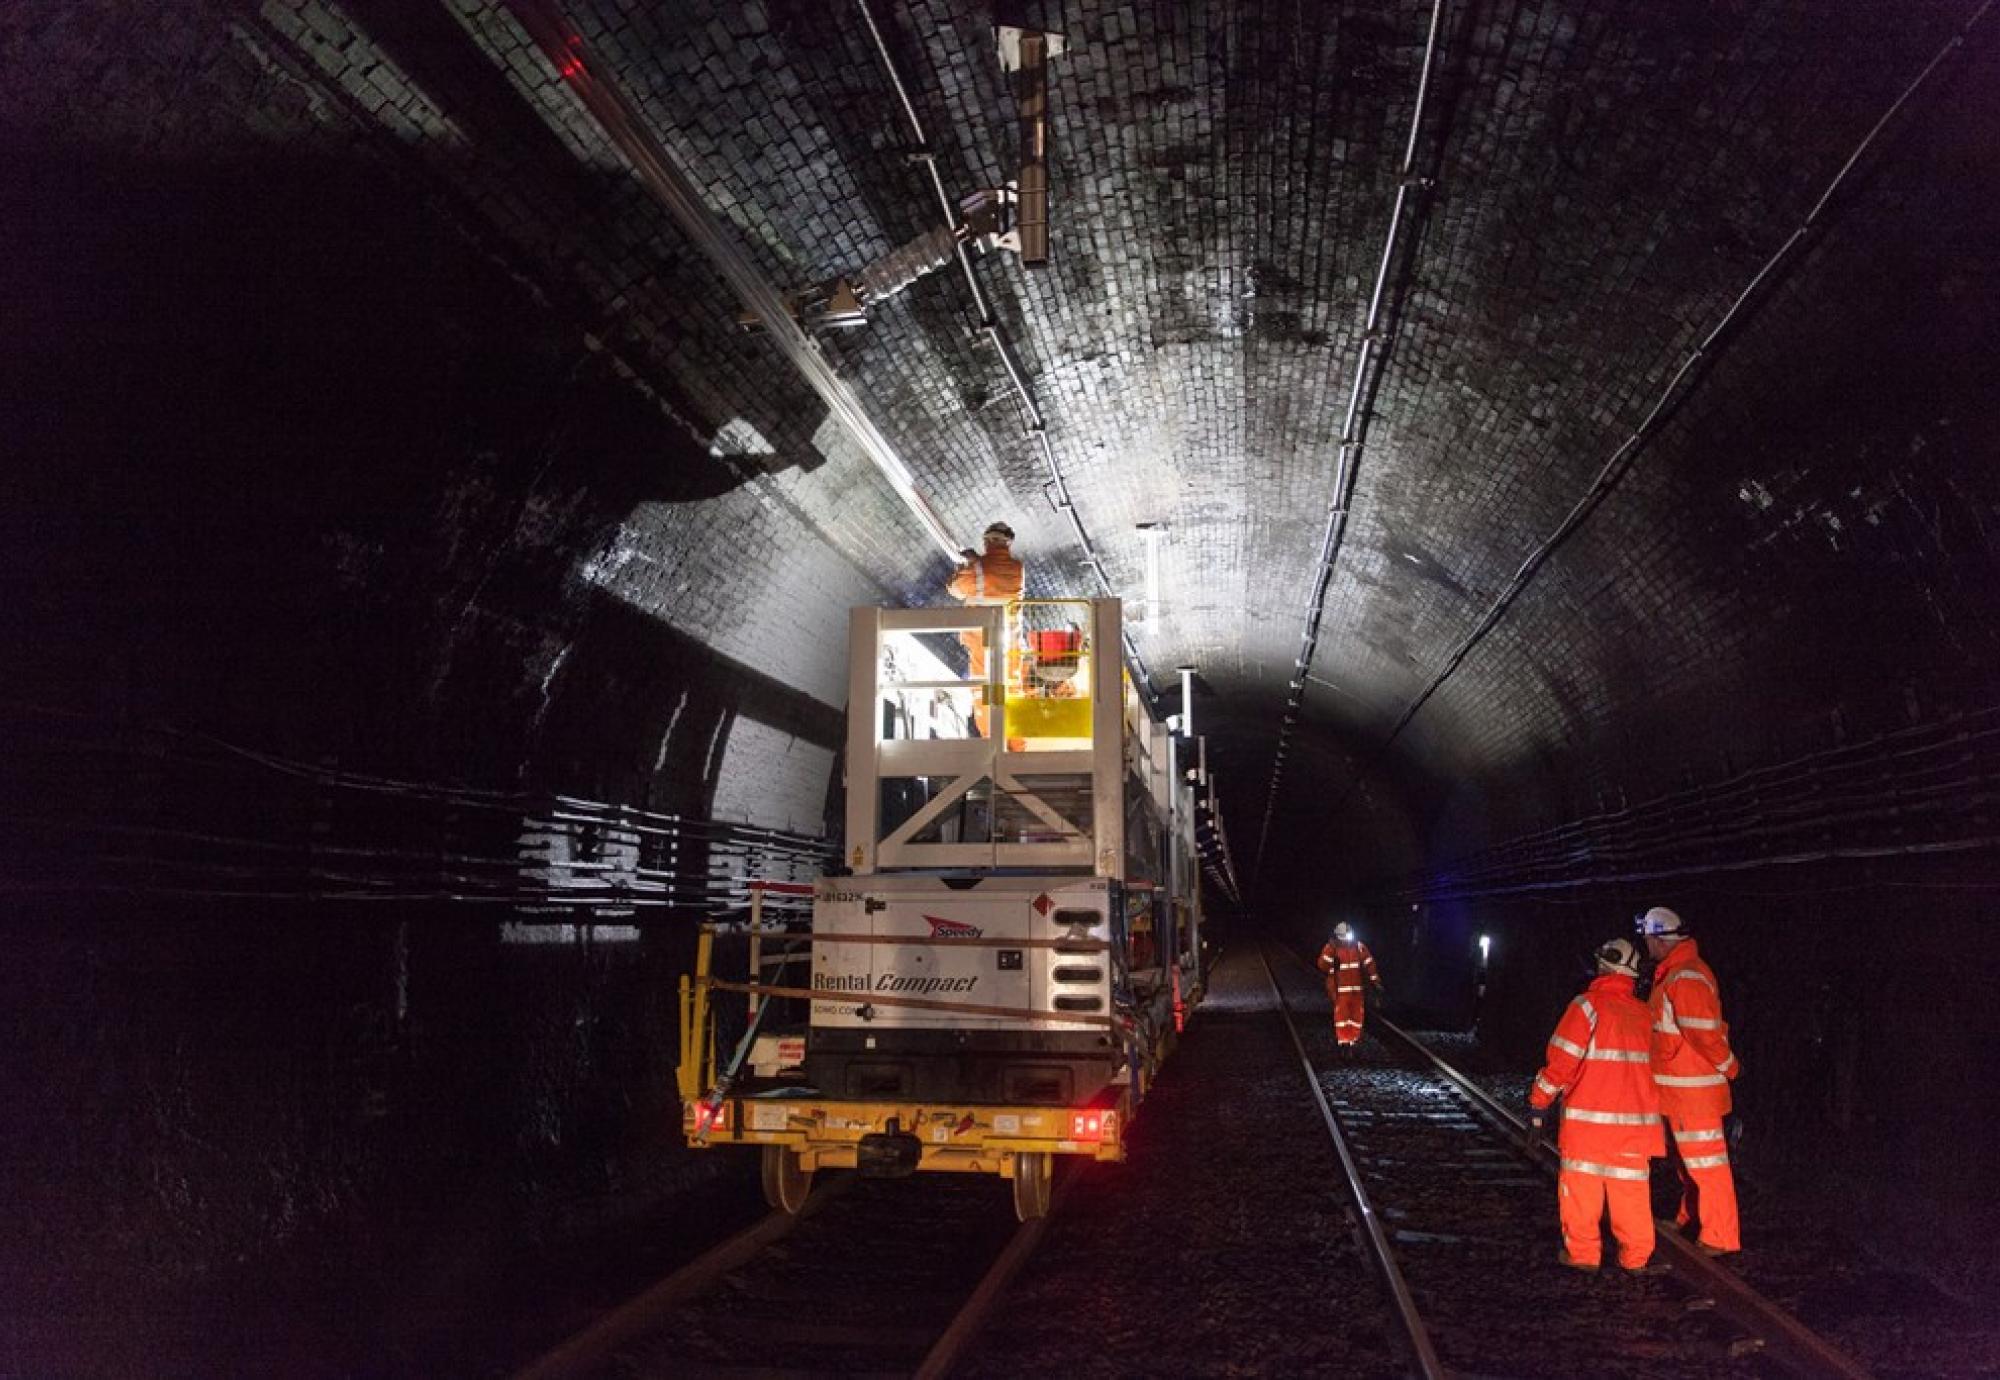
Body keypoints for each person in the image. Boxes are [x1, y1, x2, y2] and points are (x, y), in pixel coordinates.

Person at [1526, 938, 1665, 1273]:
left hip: (1588, 1127)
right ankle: (1636, 1260)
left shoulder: (1586, 1007)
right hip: (1635, 1130)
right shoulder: (1645, 1014)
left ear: (1603, 966)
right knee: (1630, 1194)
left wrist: (1538, 1105)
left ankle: (1584, 1257)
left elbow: (1561, 1063)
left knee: (1582, 1192)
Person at [1637, 905, 1742, 1257]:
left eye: (1649, 938)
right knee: (1688, 1163)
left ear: (1659, 938)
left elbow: (1703, 1033)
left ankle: (1720, 1235)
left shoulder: (1686, 977)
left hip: (1693, 1093)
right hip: (1678, 1091)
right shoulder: (1673, 973)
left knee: (1707, 1164)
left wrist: (1731, 1067)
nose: (1646, 945)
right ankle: (1690, 1216)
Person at [946, 523, 1023, 737]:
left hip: (981, 638)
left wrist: (967, 566)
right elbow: (997, 577)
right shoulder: (1018, 569)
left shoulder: (978, 569)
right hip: (1009, 638)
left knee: (983, 688)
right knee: (1011, 686)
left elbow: (955, 588)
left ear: (986, 542)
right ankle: (1016, 741)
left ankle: (990, 736)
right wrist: (976, 562)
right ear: (1008, 543)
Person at [1315, 922, 1382, 1052]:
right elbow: (1322, 965)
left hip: (1357, 990)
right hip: (1340, 991)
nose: (1346, 938)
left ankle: (1354, 1041)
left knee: (1357, 1016)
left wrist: (1375, 981)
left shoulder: (1359, 947)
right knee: (1342, 1017)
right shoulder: (1332, 948)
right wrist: (1330, 954)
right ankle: (1343, 1042)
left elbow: (1369, 964)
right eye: (1343, 936)